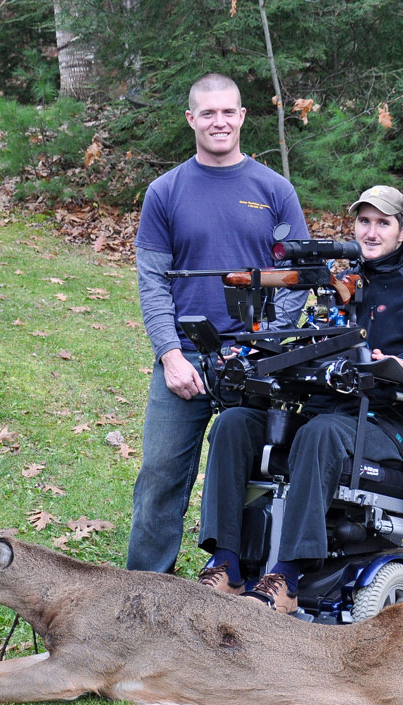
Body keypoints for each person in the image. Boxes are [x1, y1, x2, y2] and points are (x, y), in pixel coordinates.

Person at [196, 185, 403, 613]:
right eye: (364, 221)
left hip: (388, 424)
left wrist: (402, 365)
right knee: (234, 423)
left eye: (383, 223)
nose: (372, 231)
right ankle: (226, 564)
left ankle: (286, 576)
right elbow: (306, 343)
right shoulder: (336, 286)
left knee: (321, 433)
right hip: (322, 411)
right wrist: (258, 356)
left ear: (402, 232)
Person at [127, 73, 309, 574]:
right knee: (160, 477)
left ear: (243, 116)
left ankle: (241, 584)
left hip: (254, 363)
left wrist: (263, 346)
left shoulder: (275, 190)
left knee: (254, 478)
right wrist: (170, 354)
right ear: (191, 119)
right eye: (207, 113)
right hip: (185, 360)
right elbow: (152, 281)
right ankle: (143, 593)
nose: (219, 121)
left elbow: (297, 279)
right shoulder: (165, 192)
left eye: (228, 111)